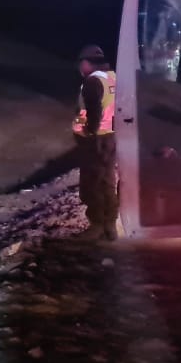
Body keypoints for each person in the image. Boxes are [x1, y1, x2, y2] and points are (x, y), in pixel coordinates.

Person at [72, 44, 119, 241]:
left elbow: (93, 112)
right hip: (110, 137)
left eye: (81, 63)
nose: (80, 68)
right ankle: (110, 225)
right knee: (108, 182)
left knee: (93, 183)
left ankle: (97, 226)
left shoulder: (93, 81)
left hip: (95, 140)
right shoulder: (113, 77)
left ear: (87, 63)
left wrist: (86, 132)